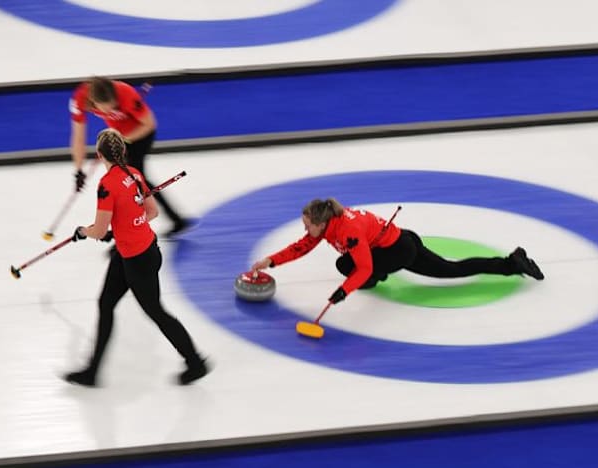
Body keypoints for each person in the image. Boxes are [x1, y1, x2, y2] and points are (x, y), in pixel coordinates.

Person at [65, 128, 208, 387]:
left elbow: (97, 230)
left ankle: (196, 362)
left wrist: (83, 232)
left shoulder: (106, 185)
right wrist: (117, 230)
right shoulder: (135, 173)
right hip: (138, 250)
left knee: (157, 313)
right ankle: (92, 371)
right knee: (106, 303)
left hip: (137, 259)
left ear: (99, 155)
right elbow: (150, 212)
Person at [251, 198, 544, 306]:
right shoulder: (327, 227)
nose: (305, 230)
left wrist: (342, 293)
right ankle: (511, 262)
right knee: (344, 264)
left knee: (451, 270)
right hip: (398, 239)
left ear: (321, 221)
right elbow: (301, 247)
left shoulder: (348, 232)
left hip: (399, 250)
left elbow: (363, 268)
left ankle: (512, 263)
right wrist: (271, 261)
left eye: (307, 224)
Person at [69, 76, 189, 237]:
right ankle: (175, 219)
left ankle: (128, 232)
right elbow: (78, 137)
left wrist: (122, 140)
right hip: (121, 138)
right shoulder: (80, 99)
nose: (109, 112)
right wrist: (78, 171)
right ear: (93, 101)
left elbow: (149, 124)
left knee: (131, 182)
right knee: (135, 181)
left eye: (113, 107)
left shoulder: (125, 94)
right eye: (105, 110)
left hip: (140, 135)